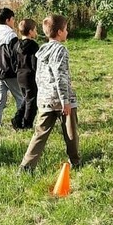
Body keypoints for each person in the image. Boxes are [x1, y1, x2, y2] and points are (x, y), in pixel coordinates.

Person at [19, 14, 81, 174]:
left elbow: (38, 76)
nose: (67, 32)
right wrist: (65, 101)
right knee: (70, 132)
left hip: (45, 99)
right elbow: (60, 77)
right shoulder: (60, 50)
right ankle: (75, 161)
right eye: (66, 29)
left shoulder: (42, 50)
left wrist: (41, 98)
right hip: (61, 99)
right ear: (59, 32)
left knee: (39, 134)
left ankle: (26, 166)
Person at [0, 7, 25, 131]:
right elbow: (16, 54)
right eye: (13, 19)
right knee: (20, 98)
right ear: (8, 20)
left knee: (1, 99)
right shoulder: (11, 35)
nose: (14, 21)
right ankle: (20, 124)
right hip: (9, 72)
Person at [12, 18, 39, 130]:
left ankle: (18, 119)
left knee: (26, 98)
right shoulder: (33, 46)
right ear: (30, 31)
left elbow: (13, 60)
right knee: (32, 101)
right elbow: (34, 63)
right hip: (30, 75)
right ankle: (27, 123)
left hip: (20, 75)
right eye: (35, 29)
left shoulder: (16, 45)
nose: (36, 32)